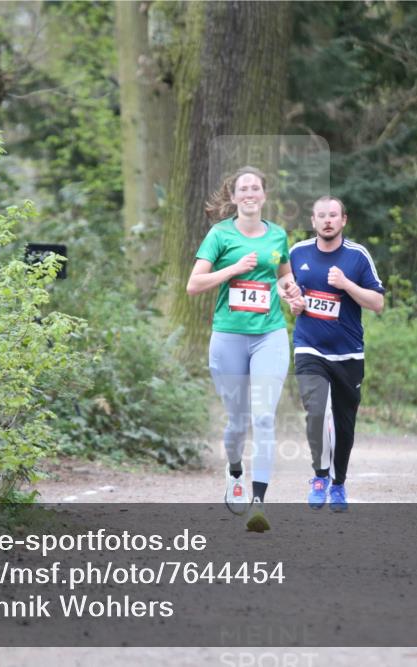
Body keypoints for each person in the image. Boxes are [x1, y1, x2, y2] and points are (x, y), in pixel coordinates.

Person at [186, 166, 300, 528]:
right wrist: (233, 269)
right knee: (237, 420)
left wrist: (291, 293)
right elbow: (194, 285)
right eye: (243, 189)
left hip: (270, 334)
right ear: (234, 198)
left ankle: (258, 503)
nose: (250, 193)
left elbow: (283, 277)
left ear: (264, 195)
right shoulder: (219, 235)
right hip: (229, 336)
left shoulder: (278, 235)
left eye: (256, 188)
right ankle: (234, 471)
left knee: (264, 416)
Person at [287, 196, 384, 512]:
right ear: (312, 221)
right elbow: (283, 286)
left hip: (348, 354)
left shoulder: (357, 257)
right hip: (309, 346)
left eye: (333, 215)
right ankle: (319, 477)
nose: (327, 220)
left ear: (343, 220)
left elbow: (377, 303)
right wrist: (293, 302)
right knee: (316, 411)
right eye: (321, 215)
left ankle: (338, 482)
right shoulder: (298, 253)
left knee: (344, 425)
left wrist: (346, 285)